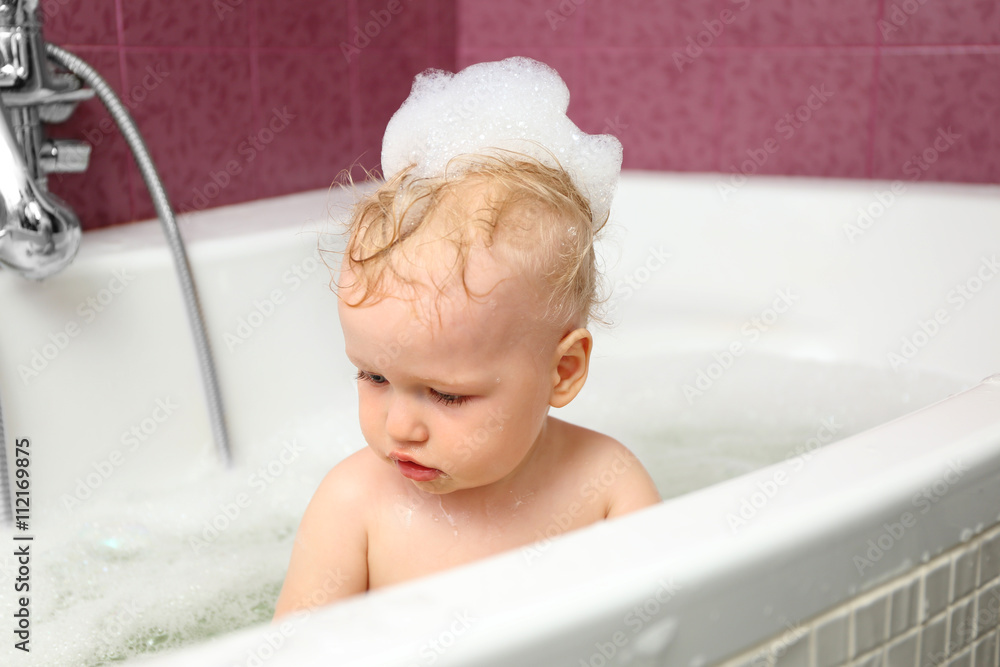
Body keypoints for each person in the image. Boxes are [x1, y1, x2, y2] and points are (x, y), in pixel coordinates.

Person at [273, 58, 660, 620]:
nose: (399, 427)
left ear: (563, 371)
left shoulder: (606, 487)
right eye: (374, 377)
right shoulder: (355, 506)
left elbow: (668, 634)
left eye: (448, 395)